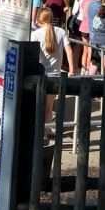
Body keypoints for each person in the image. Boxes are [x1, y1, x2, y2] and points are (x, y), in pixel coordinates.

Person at [31, 8, 75, 136]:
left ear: (39, 20)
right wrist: (72, 70)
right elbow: (70, 52)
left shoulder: (36, 34)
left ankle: (36, 133)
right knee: (48, 108)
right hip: (55, 76)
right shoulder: (61, 32)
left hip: (40, 76)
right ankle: (44, 134)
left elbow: (33, 55)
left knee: (37, 107)